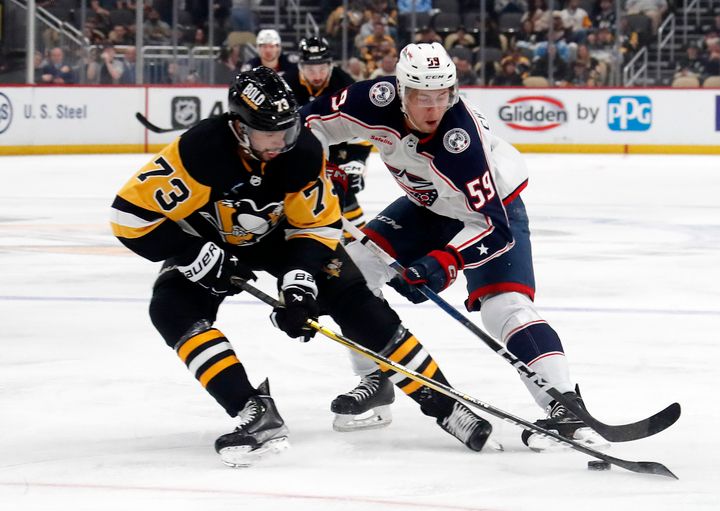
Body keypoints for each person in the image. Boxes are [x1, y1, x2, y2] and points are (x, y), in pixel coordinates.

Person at [109, 66, 493, 467]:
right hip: (210, 240)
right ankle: (254, 412)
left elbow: (319, 225)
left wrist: (298, 284)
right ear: (239, 127)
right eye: (268, 133)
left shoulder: (302, 151)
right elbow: (130, 218)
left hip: (282, 237)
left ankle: (447, 405)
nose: (281, 142)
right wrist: (196, 256)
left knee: (353, 297)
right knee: (170, 308)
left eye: (287, 130)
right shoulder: (201, 151)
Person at [302, 42, 604, 451]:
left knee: (503, 307)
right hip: (426, 204)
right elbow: (309, 124)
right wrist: (307, 170)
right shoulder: (373, 99)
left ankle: (565, 406)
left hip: (492, 209)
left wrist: (444, 260)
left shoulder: (461, 143)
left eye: (441, 96)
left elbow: (493, 228)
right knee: (352, 272)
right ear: (401, 90)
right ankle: (376, 377)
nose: (432, 108)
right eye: (422, 97)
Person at [283, 36, 372, 238]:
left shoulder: (345, 85)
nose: (317, 75)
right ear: (300, 67)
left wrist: (356, 162)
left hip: (338, 147)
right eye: (311, 69)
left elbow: (362, 127)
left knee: (343, 190)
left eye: (322, 69)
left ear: (331, 66)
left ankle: (354, 241)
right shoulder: (285, 87)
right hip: (298, 149)